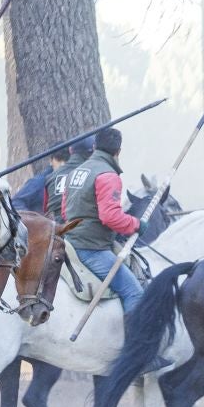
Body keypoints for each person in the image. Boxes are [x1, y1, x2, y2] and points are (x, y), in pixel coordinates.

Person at [60, 128, 144, 320]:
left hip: (70, 243)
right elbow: (110, 217)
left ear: (95, 146)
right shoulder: (108, 175)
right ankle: (135, 348)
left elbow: (65, 211)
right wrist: (137, 224)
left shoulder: (74, 173)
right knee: (135, 293)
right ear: (118, 151)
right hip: (91, 248)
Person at [10, 146, 71, 213]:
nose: (62, 164)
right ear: (51, 161)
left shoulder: (72, 179)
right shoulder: (39, 182)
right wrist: (37, 219)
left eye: (66, 160)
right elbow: (16, 203)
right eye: (59, 159)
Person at [48, 138, 92, 222]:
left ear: (71, 150)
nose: (50, 164)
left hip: (55, 227)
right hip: (76, 223)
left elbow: (47, 208)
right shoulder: (90, 172)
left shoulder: (49, 177)